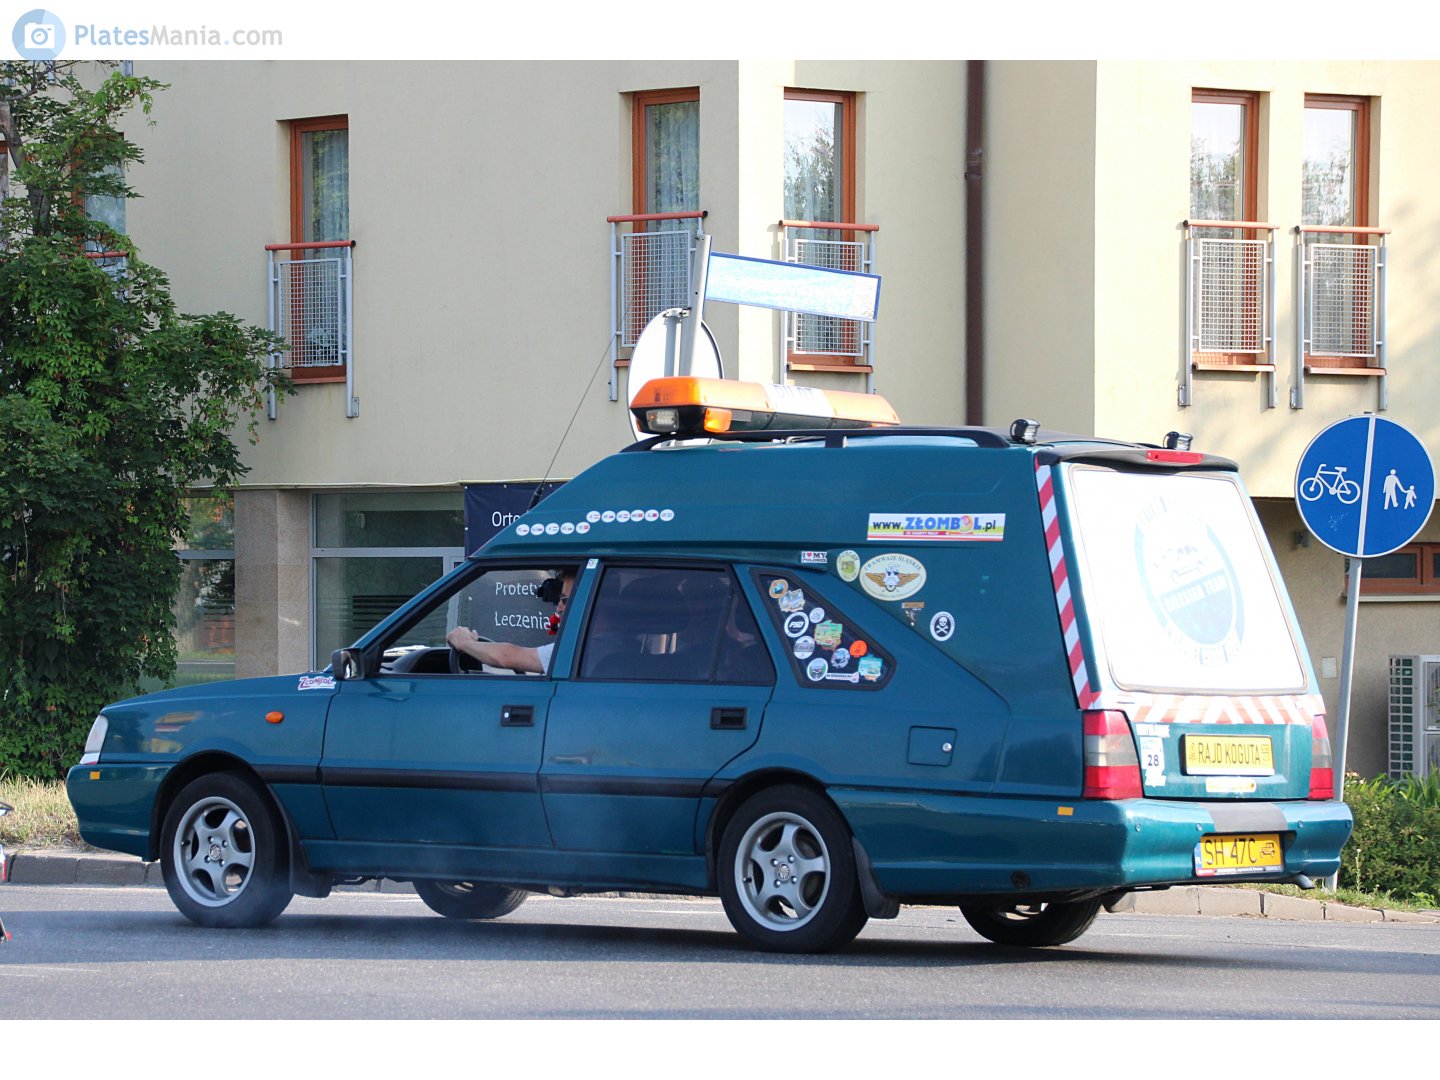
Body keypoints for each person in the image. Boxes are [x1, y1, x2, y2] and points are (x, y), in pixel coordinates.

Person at [446, 571, 574, 674]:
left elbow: (506, 656)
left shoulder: (576, 649)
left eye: (564, 600)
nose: (558, 607)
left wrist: (465, 643)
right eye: (558, 600)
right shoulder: (584, 646)